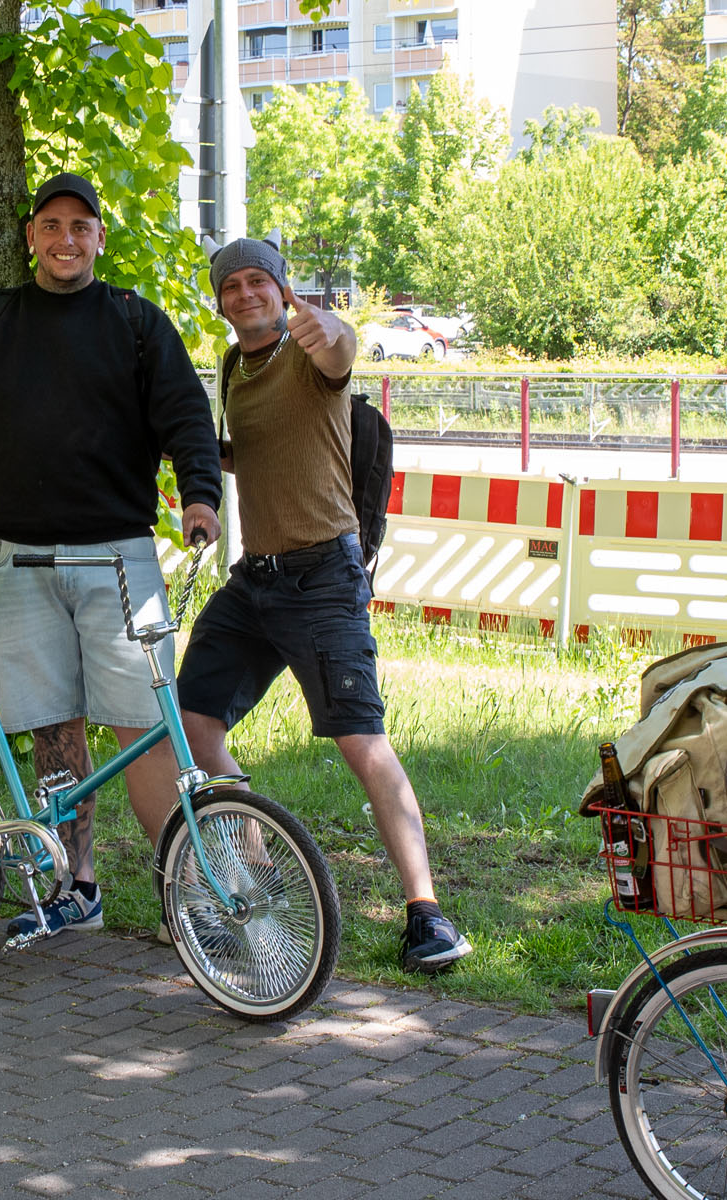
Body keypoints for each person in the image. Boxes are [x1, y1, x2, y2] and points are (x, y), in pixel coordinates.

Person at [0, 171, 222, 938]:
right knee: (55, 727)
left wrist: (199, 497)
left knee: (145, 725)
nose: (65, 239)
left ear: (98, 238)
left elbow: (187, 414)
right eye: (50, 226)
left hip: (118, 560)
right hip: (17, 560)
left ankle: (194, 893)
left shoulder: (134, 321)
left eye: (79, 227)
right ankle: (75, 885)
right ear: (30, 237)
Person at [175, 236, 472, 974]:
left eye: (259, 282)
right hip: (256, 582)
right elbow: (259, 446)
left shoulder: (313, 354)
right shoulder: (233, 366)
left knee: (361, 741)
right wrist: (192, 460)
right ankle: (256, 867)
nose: (246, 294)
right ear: (220, 300)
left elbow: (342, 354)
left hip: (324, 579)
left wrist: (334, 332)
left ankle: (428, 915)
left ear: (282, 290)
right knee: (191, 721)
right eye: (232, 285)